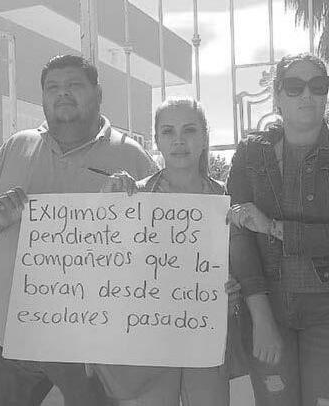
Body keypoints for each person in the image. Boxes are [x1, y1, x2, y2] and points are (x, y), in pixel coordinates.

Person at [0, 54, 157, 406]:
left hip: (91, 350)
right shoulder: (17, 146)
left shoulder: (132, 157)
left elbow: (161, 244)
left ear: (98, 94)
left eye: (73, 85)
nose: (62, 93)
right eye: (52, 87)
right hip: (5, 343)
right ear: (43, 97)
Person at [227, 52, 329, 405]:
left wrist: (273, 227)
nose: (307, 95)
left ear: (327, 93)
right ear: (278, 95)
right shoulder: (251, 153)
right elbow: (238, 233)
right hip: (267, 304)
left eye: (318, 85)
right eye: (294, 86)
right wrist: (260, 315)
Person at [93, 97, 242, 406]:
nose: (179, 141)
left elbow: (240, 262)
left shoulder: (225, 198)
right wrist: (108, 204)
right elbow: (106, 260)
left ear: (205, 137)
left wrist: (234, 288)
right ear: (157, 140)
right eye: (168, 131)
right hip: (149, 339)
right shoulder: (133, 196)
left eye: (189, 130)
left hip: (205, 333)